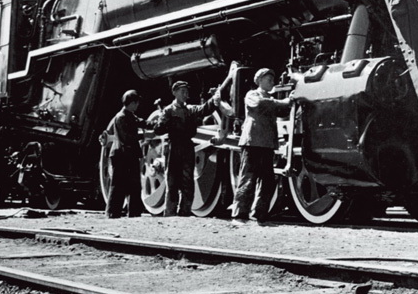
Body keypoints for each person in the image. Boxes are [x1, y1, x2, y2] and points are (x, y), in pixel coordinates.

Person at [231, 68, 292, 226]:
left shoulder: (271, 99)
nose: (272, 81)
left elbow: (282, 110)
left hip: (267, 144)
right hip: (253, 142)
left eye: (272, 78)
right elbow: (261, 104)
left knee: (268, 181)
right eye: (268, 79)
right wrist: (284, 101)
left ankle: (259, 214)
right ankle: (239, 215)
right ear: (259, 81)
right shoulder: (252, 95)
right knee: (248, 179)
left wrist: (292, 100)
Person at [152, 80, 219, 217]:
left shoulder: (190, 109)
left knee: (188, 182)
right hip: (174, 147)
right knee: (172, 182)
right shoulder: (168, 110)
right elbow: (158, 129)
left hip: (187, 147)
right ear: (175, 92)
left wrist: (214, 98)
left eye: (186, 91)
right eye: (182, 91)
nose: (185, 94)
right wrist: (165, 123)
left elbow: (204, 109)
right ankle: (170, 213)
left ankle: (185, 212)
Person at [101, 90, 144, 219]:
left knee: (134, 185)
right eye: (136, 103)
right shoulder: (121, 117)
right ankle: (112, 212)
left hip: (129, 154)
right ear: (131, 103)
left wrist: (156, 124)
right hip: (121, 155)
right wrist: (142, 136)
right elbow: (126, 138)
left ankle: (134, 212)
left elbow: (142, 122)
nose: (138, 105)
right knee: (118, 185)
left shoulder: (130, 116)